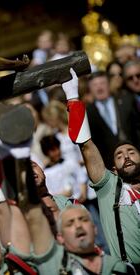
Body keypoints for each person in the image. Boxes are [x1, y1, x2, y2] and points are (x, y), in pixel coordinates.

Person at [62, 68, 140, 267]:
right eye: (119, 156)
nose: (126, 156)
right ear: (113, 168)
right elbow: (87, 147)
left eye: (131, 152)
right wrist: (72, 97)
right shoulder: (110, 188)